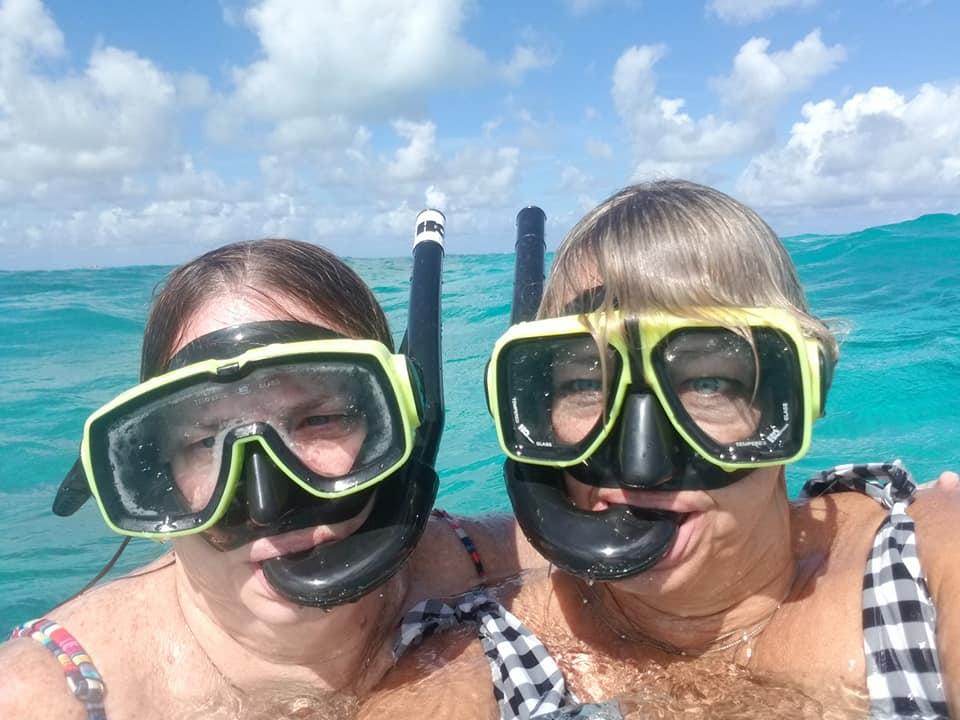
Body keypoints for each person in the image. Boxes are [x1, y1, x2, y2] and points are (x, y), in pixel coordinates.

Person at [370, 181, 959, 719]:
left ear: (801, 396)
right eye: (585, 384)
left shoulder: (918, 566)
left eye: (708, 382)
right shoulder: (483, 658)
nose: (641, 465)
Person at [0, 236, 529, 719]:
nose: (266, 503)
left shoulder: (498, 566)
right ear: (158, 469)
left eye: (320, 419)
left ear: (394, 422)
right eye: (206, 442)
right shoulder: (49, 696)